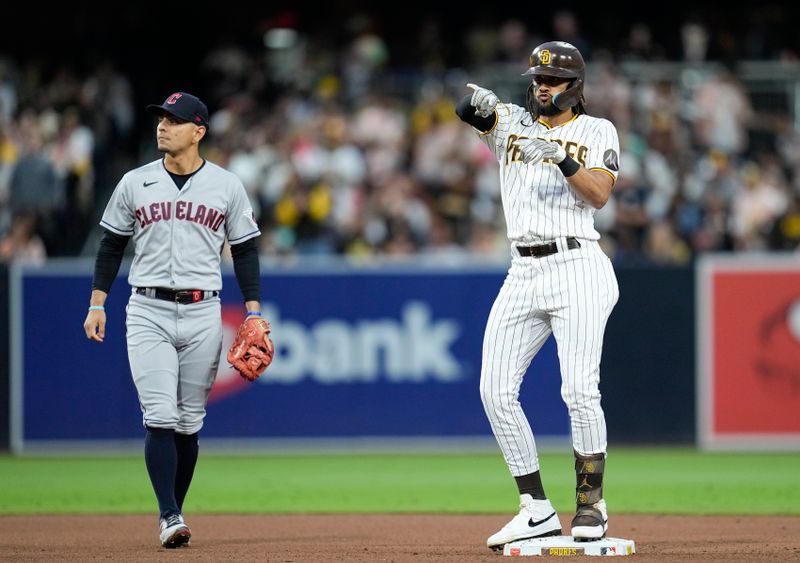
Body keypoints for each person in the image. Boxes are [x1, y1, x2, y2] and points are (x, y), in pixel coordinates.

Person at [455, 41, 620, 550]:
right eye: (537, 79)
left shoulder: (596, 130)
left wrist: (563, 162)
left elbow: (599, 195)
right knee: (494, 390)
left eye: (552, 81)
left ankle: (591, 504)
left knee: (578, 391)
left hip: (578, 264)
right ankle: (536, 508)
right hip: (522, 268)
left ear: (575, 86)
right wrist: (475, 105)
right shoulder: (513, 121)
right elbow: (467, 110)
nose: (541, 87)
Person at [82, 92, 263, 548]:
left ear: (198, 130)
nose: (163, 126)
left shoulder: (225, 185)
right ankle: (168, 515)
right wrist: (97, 302)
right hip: (147, 309)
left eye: (175, 121)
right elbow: (110, 245)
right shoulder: (134, 182)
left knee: (189, 421)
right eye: (161, 119)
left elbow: (244, 250)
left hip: (205, 310)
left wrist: (255, 311)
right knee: (160, 414)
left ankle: (173, 513)